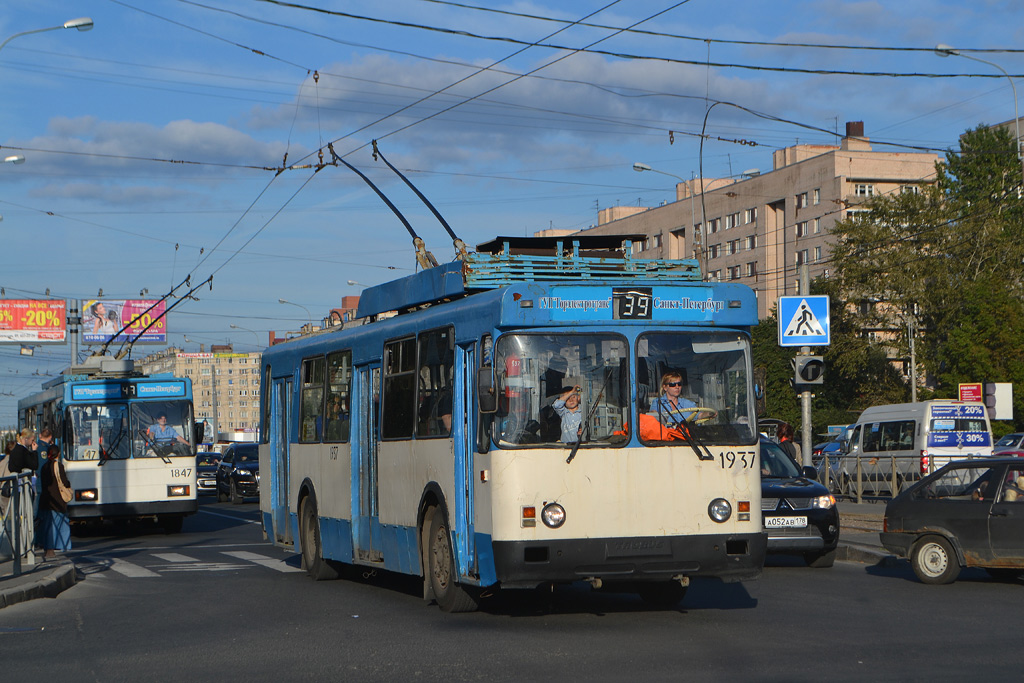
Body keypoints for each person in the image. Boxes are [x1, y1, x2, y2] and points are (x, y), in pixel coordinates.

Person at [37, 444, 71, 561]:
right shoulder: (58, 466)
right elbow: (64, 482)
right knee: (57, 525)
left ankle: (47, 548)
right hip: (57, 501)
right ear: (58, 454)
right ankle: (52, 549)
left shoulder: (44, 467)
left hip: (46, 500)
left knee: (47, 525)